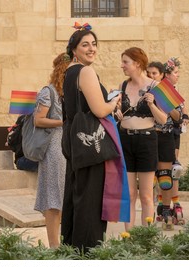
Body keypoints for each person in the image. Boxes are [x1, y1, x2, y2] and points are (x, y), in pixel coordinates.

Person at [61, 23, 123, 253]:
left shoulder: (69, 72)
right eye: (85, 44)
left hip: (75, 141)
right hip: (91, 143)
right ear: (74, 49)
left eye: (94, 44)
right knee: (91, 201)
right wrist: (113, 102)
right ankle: (88, 254)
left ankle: (70, 250)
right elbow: (98, 109)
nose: (91, 49)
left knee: (76, 196)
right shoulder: (85, 71)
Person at [115, 47, 167, 231]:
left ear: (137, 64)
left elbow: (163, 119)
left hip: (147, 140)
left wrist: (152, 104)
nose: (122, 66)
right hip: (125, 139)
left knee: (145, 195)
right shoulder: (123, 85)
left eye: (125, 62)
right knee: (129, 194)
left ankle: (146, 237)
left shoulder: (155, 86)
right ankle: (129, 237)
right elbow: (116, 114)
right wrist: (118, 113)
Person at [32, 52, 70, 248]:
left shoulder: (72, 91)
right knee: (54, 198)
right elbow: (38, 120)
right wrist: (62, 122)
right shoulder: (49, 91)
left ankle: (63, 242)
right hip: (55, 147)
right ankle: (54, 245)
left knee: (65, 197)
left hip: (70, 146)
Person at [147, 61, 182, 228]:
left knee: (165, 177)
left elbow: (178, 117)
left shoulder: (167, 91)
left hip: (166, 137)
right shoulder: (143, 90)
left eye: (154, 73)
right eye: (149, 73)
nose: (151, 76)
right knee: (149, 178)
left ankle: (167, 210)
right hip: (148, 136)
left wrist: (164, 103)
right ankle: (150, 211)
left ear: (162, 75)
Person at [163, 57, 189, 225]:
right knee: (165, 171)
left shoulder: (174, 89)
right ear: (167, 74)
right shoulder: (162, 89)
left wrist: (185, 116)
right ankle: (164, 203)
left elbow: (182, 105)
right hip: (164, 132)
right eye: (176, 72)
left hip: (175, 132)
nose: (178, 75)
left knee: (175, 169)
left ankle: (175, 202)